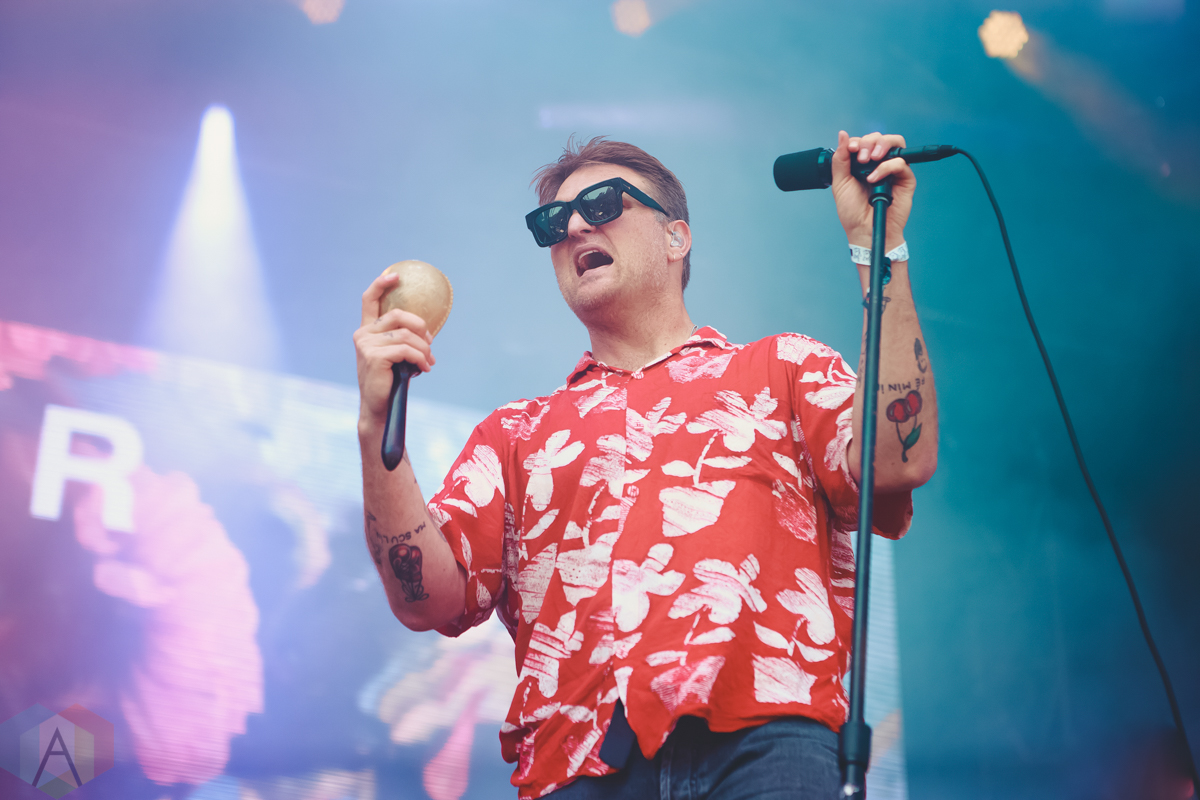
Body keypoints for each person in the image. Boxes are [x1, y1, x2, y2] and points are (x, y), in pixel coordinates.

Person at [353, 132, 938, 799]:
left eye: (602, 204)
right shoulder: (515, 435)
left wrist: (878, 248)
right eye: (553, 222)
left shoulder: (783, 369)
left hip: (768, 741)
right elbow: (426, 599)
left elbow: (899, 459)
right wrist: (375, 425)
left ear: (675, 237)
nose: (575, 227)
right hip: (577, 764)